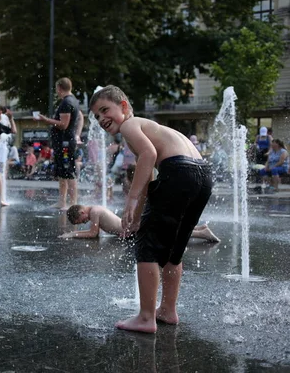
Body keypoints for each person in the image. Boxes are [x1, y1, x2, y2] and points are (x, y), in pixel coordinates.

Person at [90, 85, 212, 334]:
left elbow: (148, 155)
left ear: (123, 106)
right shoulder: (149, 128)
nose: (102, 119)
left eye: (105, 110)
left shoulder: (129, 125)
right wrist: (137, 217)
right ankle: (168, 310)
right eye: (96, 116)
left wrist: (131, 202)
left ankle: (146, 317)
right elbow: (149, 175)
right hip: (202, 175)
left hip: (179, 171)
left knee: (147, 245)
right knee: (174, 248)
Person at [61, 205, 220, 242]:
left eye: (81, 221)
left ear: (82, 212)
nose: (84, 223)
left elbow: (93, 234)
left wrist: (72, 234)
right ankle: (199, 229)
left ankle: (201, 233)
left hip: (134, 228)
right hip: (132, 228)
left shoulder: (94, 211)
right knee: (167, 230)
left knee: (167, 233)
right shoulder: (95, 210)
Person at [36, 77, 79, 210]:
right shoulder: (73, 101)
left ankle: (73, 203)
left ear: (60, 88)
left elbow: (64, 125)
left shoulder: (67, 102)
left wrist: (46, 120)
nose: (56, 91)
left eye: (57, 89)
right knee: (62, 172)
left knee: (69, 171)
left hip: (65, 143)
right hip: (64, 143)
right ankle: (62, 202)